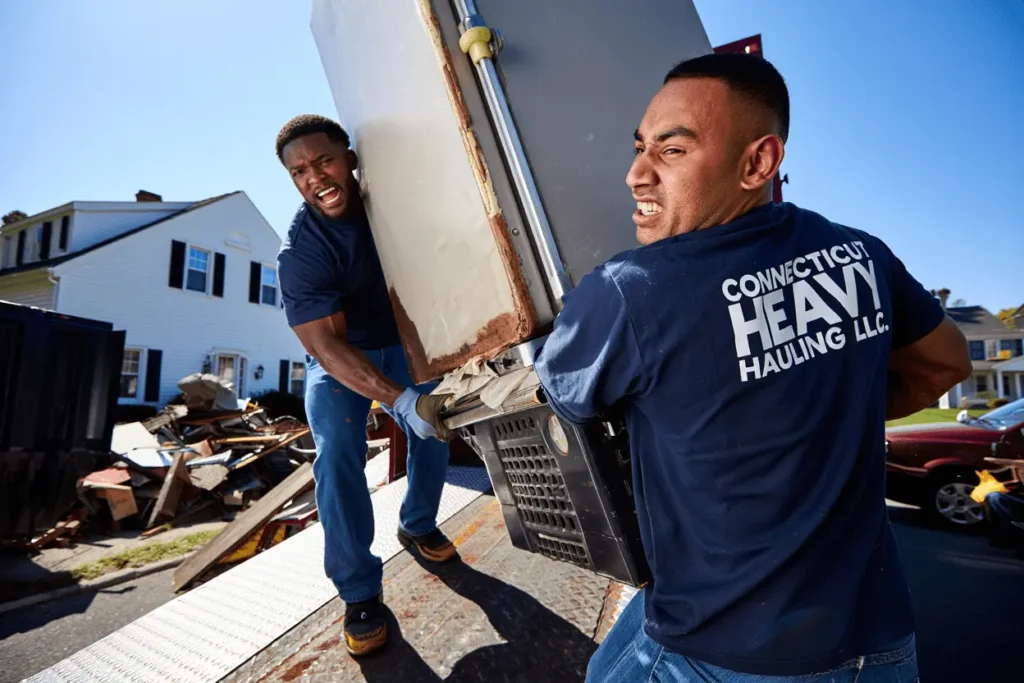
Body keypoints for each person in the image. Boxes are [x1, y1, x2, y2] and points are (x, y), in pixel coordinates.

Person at [532, 54, 972, 681]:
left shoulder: (631, 290)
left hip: (718, 648)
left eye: (672, 151)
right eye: (639, 148)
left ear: (758, 163)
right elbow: (944, 363)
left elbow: (561, 399)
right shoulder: (863, 258)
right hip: (881, 645)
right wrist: (820, 408)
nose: (635, 174)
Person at [275, 114, 456, 657]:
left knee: (436, 429)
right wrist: (396, 400)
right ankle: (358, 592)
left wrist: (420, 394)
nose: (315, 177)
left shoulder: (393, 206)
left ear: (350, 157)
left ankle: (418, 524)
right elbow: (326, 347)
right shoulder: (301, 250)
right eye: (299, 171)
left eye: (324, 160)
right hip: (340, 353)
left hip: (405, 339)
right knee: (336, 456)